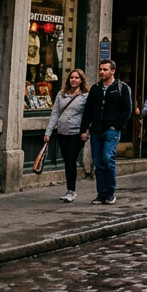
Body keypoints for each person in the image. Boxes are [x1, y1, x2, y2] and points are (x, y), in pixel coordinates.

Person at [78, 59, 132, 204]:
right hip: (96, 131)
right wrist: (84, 129)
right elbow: (88, 111)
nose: (102, 72)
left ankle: (110, 193)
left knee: (108, 159)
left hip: (111, 131)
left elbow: (127, 110)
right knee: (98, 163)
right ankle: (101, 194)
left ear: (112, 71)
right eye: (100, 69)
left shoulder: (122, 87)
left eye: (105, 70)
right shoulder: (95, 89)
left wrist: (117, 125)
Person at [43, 69, 88, 202]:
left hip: (77, 133)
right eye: (71, 77)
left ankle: (71, 191)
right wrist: (48, 132)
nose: (73, 80)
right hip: (62, 133)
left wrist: (86, 131)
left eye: (76, 78)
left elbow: (88, 115)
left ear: (81, 80)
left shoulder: (85, 96)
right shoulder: (61, 95)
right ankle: (69, 190)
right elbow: (55, 114)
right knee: (67, 162)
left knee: (70, 159)